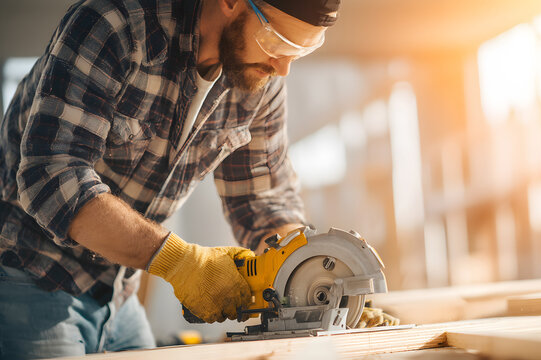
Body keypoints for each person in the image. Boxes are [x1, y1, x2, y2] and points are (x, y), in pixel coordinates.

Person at [0, 0, 341, 358]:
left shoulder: (259, 77)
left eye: (301, 50)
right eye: (278, 42)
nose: (284, 67)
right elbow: (53, 178)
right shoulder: (116, 25)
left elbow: (264, 202)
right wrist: (179, 261)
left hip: (118, 293)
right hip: (31, 273)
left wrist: (315, 271)